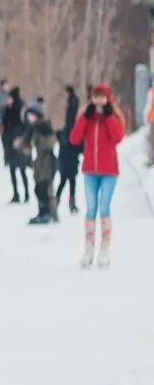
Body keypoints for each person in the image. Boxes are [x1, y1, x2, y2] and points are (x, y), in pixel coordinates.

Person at [70, 83, 125, 269]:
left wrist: (109, 116)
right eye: (96, 96)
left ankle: (104, 250)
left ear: (108, 98)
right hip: (90, 171)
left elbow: (118, 137)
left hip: (109, 171)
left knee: (104, 208)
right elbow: (74, 138)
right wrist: (85, 118)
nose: (99, 100)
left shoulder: (114, 116)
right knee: (91, 209)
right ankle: (88, 250)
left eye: (102, 97)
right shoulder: (88, 117)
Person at [20, 100, 57, 224]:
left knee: (44, 188)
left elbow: (49, 143)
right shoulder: (35, 127)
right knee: (39, 188)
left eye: (30, 115)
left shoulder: (43, 126)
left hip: (46, 162)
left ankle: (47, 213)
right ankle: (43, 213)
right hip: (40, 162)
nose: (28, 117)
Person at [2, 86, 30, 203]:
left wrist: (20, 139)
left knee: (22, 170)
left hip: (19, 143)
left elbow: (26, 127)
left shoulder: (22, 109)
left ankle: (26, 194)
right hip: (10, 143)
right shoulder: (8, 109)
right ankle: (16, 194)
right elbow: (4, 125)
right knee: (12, 170)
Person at [56, 85, 82, 214]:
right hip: (69, 158)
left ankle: (59, 201)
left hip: (68, 158)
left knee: (66, 181)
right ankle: (65, 202)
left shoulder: (68, 128)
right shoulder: (70, 128)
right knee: (68, 182)